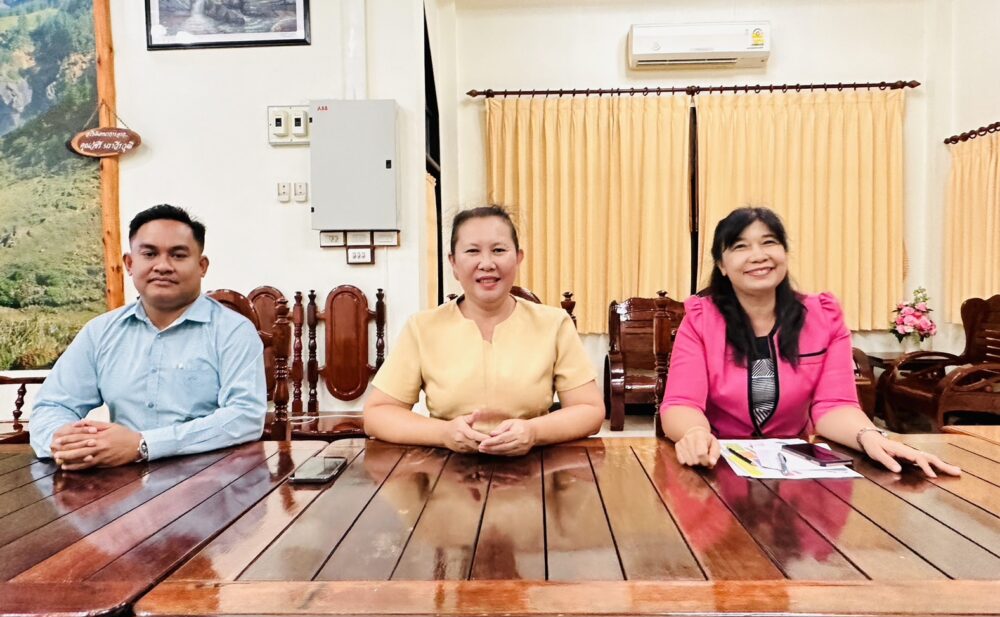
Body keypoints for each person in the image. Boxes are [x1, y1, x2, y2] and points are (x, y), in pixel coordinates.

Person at [660, 207, 960, 478]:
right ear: (722, 265)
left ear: (785, 253)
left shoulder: (823, 317)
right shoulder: (701, 320)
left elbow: (834, 405)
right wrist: (695, 433)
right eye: (740, 246)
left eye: (769, 242)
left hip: (796, 467)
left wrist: (870, 436)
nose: (758, 255)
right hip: (717, 464)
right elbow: (681, 402)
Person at [30, 204, 266, 469]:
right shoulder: (101, 332)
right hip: (117, 479)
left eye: (178, 255)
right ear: (130, 264)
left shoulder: (233, 331)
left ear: (202, 266)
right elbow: (52, 406)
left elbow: (245, 417)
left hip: (211, 477)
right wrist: (69, 444)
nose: (162, 266)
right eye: (150, 254)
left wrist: (144, 445)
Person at [364, 205, 604, 456]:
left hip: (535, 465)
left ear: (518, 258)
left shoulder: (554, 324)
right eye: (472, 251)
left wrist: (534, 432)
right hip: (446, 466)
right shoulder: (422, 327)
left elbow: (590, 410)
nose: (487, 264)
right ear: (453, 262)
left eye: (498, 250)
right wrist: (443, 434)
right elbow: (378, 414)